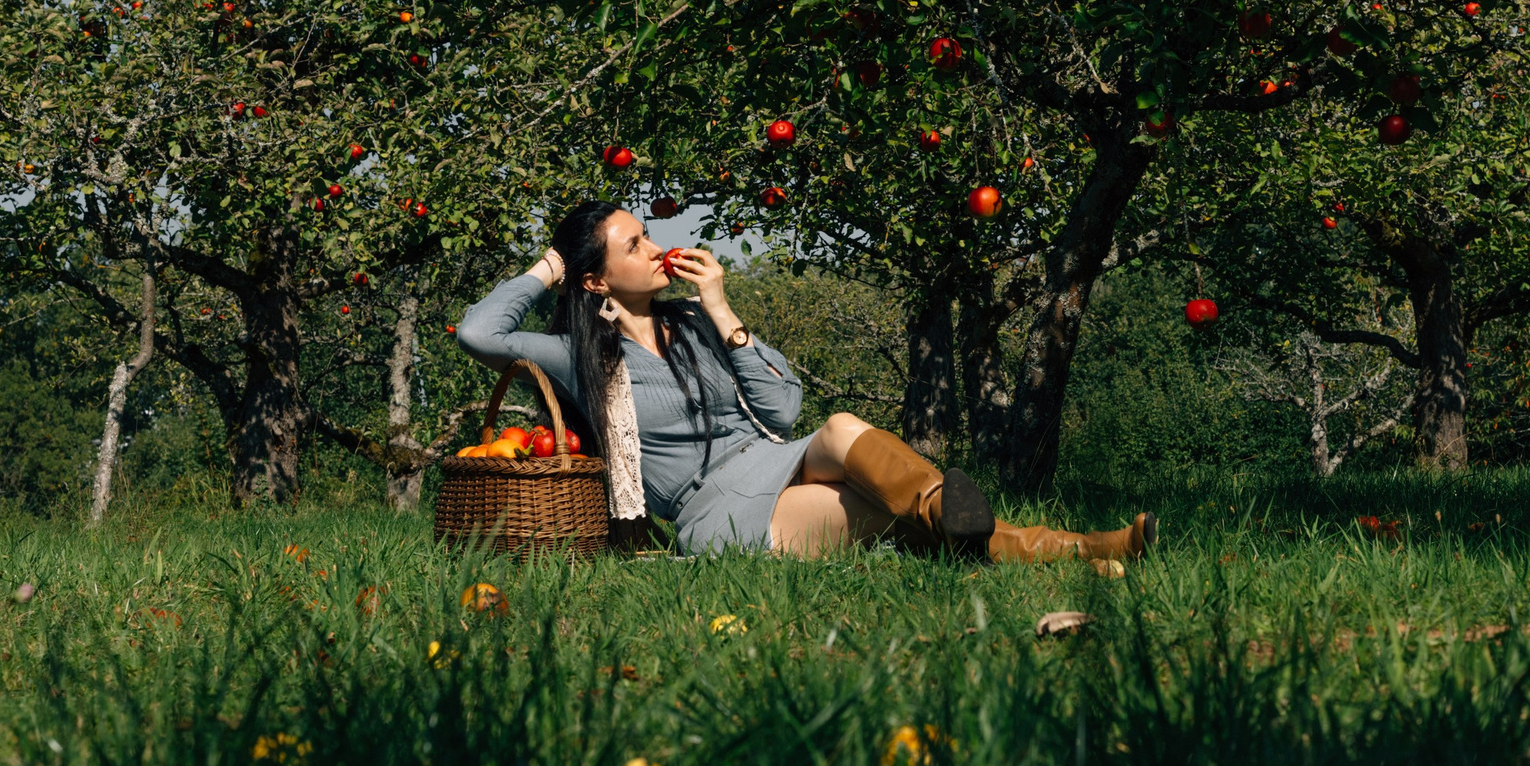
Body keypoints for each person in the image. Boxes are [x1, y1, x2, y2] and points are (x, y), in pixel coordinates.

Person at [453, 201, 1156, 562]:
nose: (655, 246)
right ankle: (1079, 551)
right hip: (716, 509)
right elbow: (479, 333)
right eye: (634, 244)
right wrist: (551, 264)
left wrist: (721, 309)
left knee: (843, 427)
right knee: (888, 515)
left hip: (771, 455)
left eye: (647, 233)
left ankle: (997, 525)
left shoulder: (694, 323)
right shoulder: (576, 357)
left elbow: (784, 409)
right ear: (596, 280)